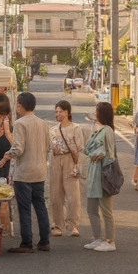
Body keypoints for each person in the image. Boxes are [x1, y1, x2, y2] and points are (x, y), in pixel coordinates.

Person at [0, 91, 51, 253]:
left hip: (24, 172)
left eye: (18, 105)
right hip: (40, 171)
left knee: (24, 209)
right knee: (40, 206)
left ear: (21, 106)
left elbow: (18, 148)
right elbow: (48, 146)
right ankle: (44, 241)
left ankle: (27, 243)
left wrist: (7, 156)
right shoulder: (43, 124)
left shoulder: (21, 124)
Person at [47, 99, 88, 237]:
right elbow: (49, 147)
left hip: (70, 160)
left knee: (73, 195)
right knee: (55, 195)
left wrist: (78, 165)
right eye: (56, 112)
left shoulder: (75, 128)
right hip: (55, 161)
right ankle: (57, 225)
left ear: (67, 112)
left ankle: (73, 224)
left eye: (60, 111)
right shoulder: (52, 130)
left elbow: (80, 148)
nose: (57, 114)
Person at [83, 101, 117, 252]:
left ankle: (110, 240)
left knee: (106, 209)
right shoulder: (97, 129)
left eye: (96, 110)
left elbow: (110, 154)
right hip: (93, 172)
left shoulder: (107, 130)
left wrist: (99, 155)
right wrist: (94, 154)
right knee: (91, 208)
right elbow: (87, 149)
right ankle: (98, 238)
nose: (94, 112)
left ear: (101, 113)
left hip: (103, 174)